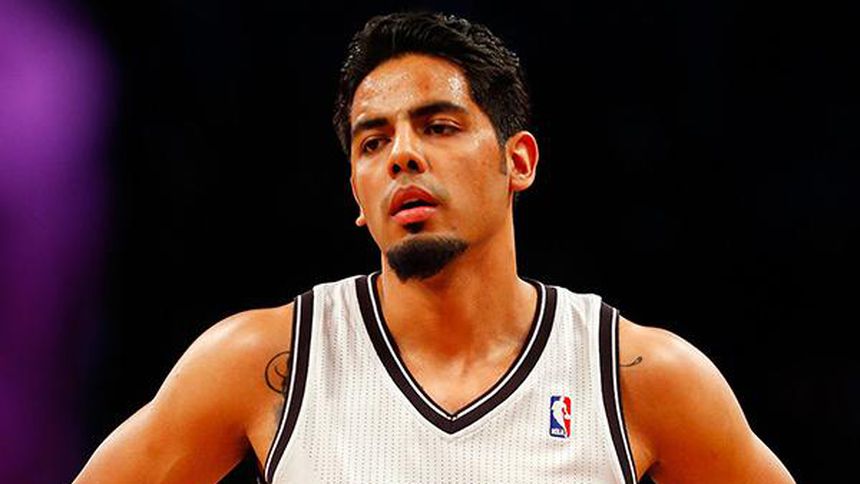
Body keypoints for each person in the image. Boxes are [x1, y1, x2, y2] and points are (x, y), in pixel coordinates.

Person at [75, 11, 795, 483]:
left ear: (518, 161)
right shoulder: (263, 364)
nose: (402, 156)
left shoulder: (635, 375)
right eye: (373, 142)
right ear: (357, 194)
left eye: (439, 126)